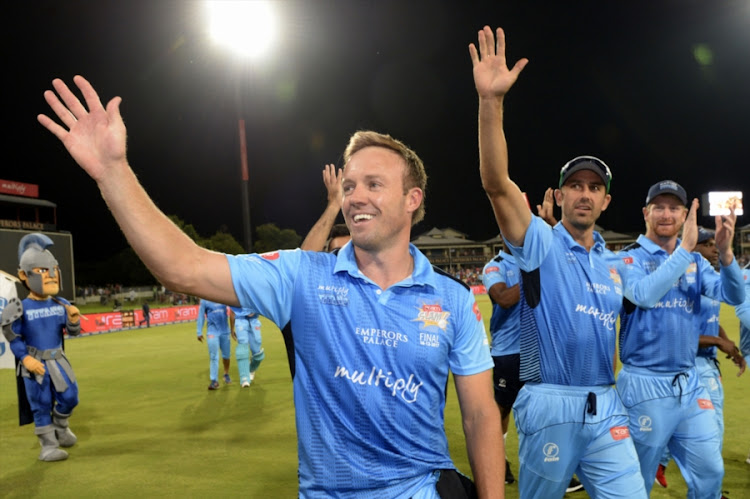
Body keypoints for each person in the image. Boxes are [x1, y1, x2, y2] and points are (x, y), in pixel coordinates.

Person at [38, 75, 503, 497]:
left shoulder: (454, 300)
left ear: (412, 199)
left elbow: (481, 417)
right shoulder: (301, 276)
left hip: (422, 488)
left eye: (374, 184)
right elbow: (183, 268)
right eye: (350, 185)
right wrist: (112, 172)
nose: (355, 196)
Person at [471, 26, 646, 498]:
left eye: (594, 187)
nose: (584, 194)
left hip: (606, 404)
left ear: (606, 201)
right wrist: (492, 104)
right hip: (550, 402)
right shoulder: (541, 242)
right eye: (576, 185)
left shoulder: (616, 264)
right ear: (561, 193)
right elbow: (495, 182)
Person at [617, 181, 745, 498]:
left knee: (710, 471)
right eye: (658, 207)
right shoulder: (626, 259)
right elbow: (644, 295)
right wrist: (684, 250)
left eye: (674, 207)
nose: (666, 214)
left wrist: (727, 254)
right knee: (637, 481)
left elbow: (735, 294)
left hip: (689, 383)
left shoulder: (697, 262)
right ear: (645, 213)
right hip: (645, 384)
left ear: (685, 214)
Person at [653, 226, 747, 489]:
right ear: (691, 248)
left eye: (713, 244)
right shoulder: (679, 284)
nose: (713, 249)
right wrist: (718, 342)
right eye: (706, 244)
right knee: (710, 432)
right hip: (691, 364)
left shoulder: (707, 281)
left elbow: (710, 321)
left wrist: (726, 342)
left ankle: (660, 464)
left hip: (707, 363)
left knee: (686, 426)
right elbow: (677, 334)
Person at [3, 233, 81, 461]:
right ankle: (48, 446)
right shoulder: (19, 307)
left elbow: (73, 333)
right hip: (34, 363)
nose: (50, 276)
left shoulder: (61, 303)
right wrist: (26, 359)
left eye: (53, 270)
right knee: (41, 403)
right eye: (42, 271)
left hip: (59, 360)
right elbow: (13, 338)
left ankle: (61, 427)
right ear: (23, 275)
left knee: (71, 397)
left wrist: (74, 320)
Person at [481, 249, 521, 486]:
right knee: (503, 409)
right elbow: (503, 299)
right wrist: (533, 274)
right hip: (507, 352)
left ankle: (547, 462)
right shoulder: (494, 266)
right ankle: (499, 459)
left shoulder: (537, 259)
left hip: (540, 350)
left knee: (542, 411)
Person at [197, 299, 233, 390]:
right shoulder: (204, 300)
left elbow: (233, 307)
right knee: (213, 356)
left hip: (225, 331)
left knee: (226, 356)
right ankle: (214, 381)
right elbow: (201, 315)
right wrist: (199, 332)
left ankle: (226, 374)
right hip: (212, 332)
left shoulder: (221, 295)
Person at [231, 308, 264, 387]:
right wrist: (232, 329)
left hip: (254, 320)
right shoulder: (237, 295)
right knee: (242, 345)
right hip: (240, 320)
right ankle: (244, 378)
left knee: (257, 353)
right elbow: (232, 311)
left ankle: (251, 369)